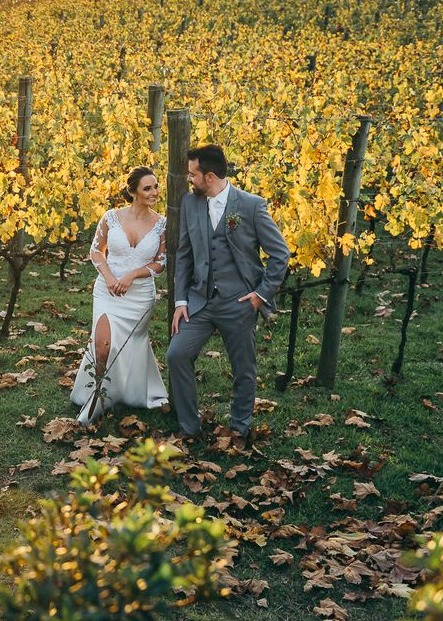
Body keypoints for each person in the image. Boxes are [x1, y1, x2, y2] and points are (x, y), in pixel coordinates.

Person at [166, 144, 289, 449]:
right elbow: (183, 255)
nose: (189, 180)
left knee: (243, 369)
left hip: (239, 302)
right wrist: (181, 301)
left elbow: (280, 253)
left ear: (209, 177)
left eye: (193, 175)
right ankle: (189, 428)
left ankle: (239, 429)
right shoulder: (190, 203)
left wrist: (261, 295)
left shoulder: (251, 205)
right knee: (176, 354)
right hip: (200, 301)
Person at [71, 166, 170, 425]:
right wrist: (110, 277)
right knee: (102, 346)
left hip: (140, 297)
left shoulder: (161, 223)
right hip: (107, 291)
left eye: (156, 186)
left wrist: (131, 276)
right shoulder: (111, 217)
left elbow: (160, 262)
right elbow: (96, 251)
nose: (154, 192)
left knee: (128, 345)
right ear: (133, 192)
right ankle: (96, 399)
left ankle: (126, 392)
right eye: (147, 188)